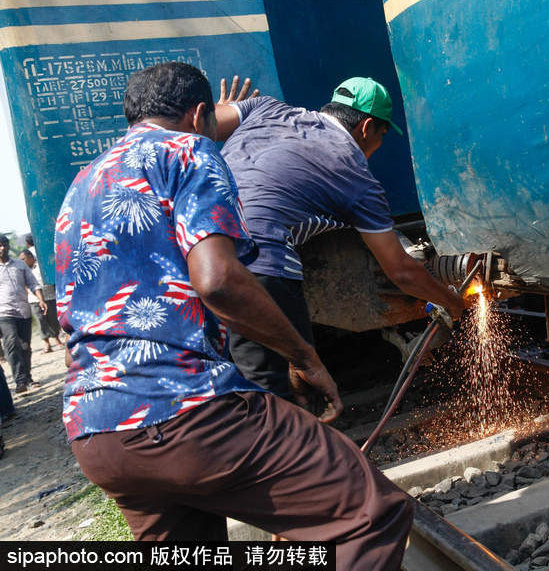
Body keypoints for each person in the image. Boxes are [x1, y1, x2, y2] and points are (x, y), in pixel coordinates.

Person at [55, 62, 411, 566]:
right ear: (200, 115)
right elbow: (218, 281)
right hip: (179, 410)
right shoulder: (189, 150)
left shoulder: (83, 182)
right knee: (371, 511)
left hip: (96, 432)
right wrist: (303, 354)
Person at [217, 77, 465, 401]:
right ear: (367, 128)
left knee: (224, 387)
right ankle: (299, 446)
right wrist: (451, 301)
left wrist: (222, 110)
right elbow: (402, 272)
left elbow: (198, 125)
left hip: (197, 251)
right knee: (279, 397)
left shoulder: (265, 108)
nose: (377, 146)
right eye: (382, 135)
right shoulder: (355, 175)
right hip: (258, 261)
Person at [0, 234, 46, 394]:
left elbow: (33, 283)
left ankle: (28, 378)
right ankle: (20, 381)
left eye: (3, 245)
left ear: (8, 246)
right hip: (4, 313)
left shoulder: (20, 265)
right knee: (11, 343)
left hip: (23, 311)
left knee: (25, 346)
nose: (1, 249)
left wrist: (41, 299)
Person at [18, 250, 63, 353]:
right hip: (34, 299)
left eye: (23, 259)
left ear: (30, 257)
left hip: (49, 296)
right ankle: (47, 343)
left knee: (53, 319)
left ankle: (56, 338)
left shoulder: (41, 265)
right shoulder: (22, 269)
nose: (22, 261)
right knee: (40, 320)